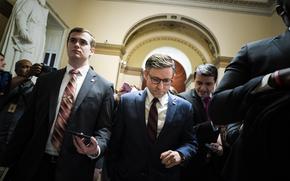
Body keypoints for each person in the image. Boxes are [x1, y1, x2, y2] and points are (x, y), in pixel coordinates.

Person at [0, 27, 114, 181]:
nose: (77, 45)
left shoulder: (104, 86)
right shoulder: (46, 80)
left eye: (83, 42)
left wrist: (96, 148)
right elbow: (27, 122)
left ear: (92, 50)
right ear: (67, 44)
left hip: (74, 167)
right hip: (35, 163)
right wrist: (8, 159)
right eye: (72, 40)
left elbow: (104, 128)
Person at [208, 0, 290, 180]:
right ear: (282, 12)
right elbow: (218, 108)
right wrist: (270, 80)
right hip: (258, 164)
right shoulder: (253, 52)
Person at [107, 54, 198, 181]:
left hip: (165, 176)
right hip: (127, 175)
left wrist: (181, 154)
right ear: (146, 74)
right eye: (155, 79)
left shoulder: (184, 107)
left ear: (172, 78)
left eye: (166, 81)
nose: (160, 87)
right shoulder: (126, 102)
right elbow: (115, 143)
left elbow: (191, 142)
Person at [178, 64, 223, 181]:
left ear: (215, 82)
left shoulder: (220, 100)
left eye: (208, 84)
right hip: (191, 164)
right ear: (194, 80)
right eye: (199, 83)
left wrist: (221, 144)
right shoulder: (182, 100)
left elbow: (224, 128)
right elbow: (184, 132)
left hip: (214, 166)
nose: (203, 88)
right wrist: (213, 124)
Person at [0, 0, 49, 72]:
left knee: (32, 64)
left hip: (37, 41)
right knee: (23, 64)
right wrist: (23, 31)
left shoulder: (44, 10)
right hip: (27, 40)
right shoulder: (30, 2)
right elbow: (21, 15)